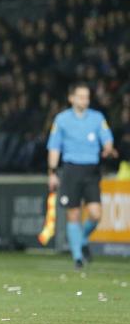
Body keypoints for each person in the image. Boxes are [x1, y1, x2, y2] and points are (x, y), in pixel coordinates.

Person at [47, 83, 116, 269]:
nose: (85, 100)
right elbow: (54, 148)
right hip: (71, 169)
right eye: (81, 97)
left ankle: (82, 239)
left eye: (86, 97)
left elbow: (107, 138)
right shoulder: (61, 119)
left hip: (91, 170)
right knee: (74, 214)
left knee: (95, 213)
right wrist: (53, 173)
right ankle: (77, 257)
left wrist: (108, 148)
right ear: (71, 98)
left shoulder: (97, 118)